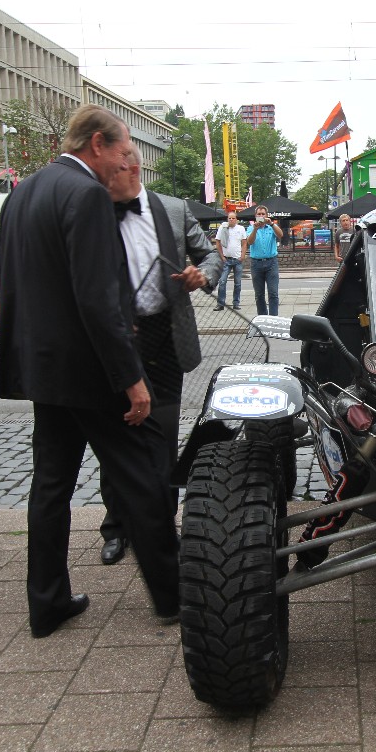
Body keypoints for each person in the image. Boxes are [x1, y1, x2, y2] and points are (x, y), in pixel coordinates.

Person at [0, 105, 179, 637]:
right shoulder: (88, 194)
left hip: (46, 369)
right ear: (98, 144)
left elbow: (4, 276)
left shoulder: (24, 192)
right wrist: (131, 378)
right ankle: (174, 594)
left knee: (50, 487)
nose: (126, 164)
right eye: (124, 153)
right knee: (142, 476)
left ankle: (47, 601)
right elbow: (99, 299)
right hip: (91, 371)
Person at [98, 146, 220, 565]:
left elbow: (211, 255)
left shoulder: (174, 209)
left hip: (167, 336)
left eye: (109, 172)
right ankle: (117, 527)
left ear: (131, 169)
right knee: (119, 433)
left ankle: (162, 526)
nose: (101, 180)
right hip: (120, 338)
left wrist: (202, 275)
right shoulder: (96, 207)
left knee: (164, 438)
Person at [246, 203, 283, 316]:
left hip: (271, 263)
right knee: (259, 295)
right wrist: (255, 229)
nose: (261, 216)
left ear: (266, 215)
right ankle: (263, 317)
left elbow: (280, 235)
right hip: (256, 264)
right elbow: (250, 242)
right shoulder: (251, 228)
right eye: (259, 214)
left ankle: (274, 318)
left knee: (273, 293)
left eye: (263, 214)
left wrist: (272, 223)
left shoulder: (271, 227)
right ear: (255, 216)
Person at [212, 210, 246, 311]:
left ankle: (236, 303)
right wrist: (222, 256)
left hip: (237, 259)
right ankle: (220, 303)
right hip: (226, 259)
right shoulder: (223, 228)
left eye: (233, 218)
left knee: (237, 283)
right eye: (229, 218)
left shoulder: (240, 229)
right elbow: (217, 242)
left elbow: (244, 243)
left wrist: (242, 256)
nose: (231, 220)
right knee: (222, 281)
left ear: (236, 219)